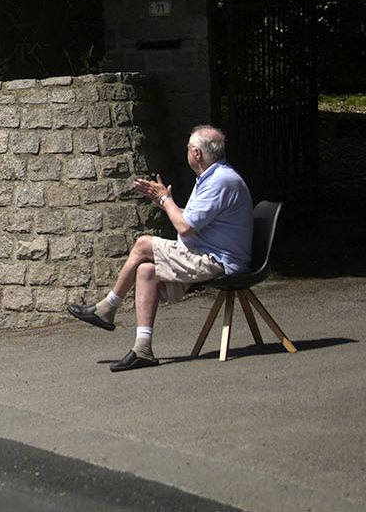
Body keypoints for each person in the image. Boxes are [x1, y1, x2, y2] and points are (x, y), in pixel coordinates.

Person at [68, 124, 254, 371]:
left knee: (143, 244)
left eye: (188, 147)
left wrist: (166, 201)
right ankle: (143, 349)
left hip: (218, 260)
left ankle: (107, 308)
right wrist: (162, 201)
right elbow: (192, 220)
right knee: (146, 270)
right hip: (206, 253)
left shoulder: (221, 181)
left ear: (196, 153)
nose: (186, 151)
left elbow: (185, 227)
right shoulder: (212, 178)